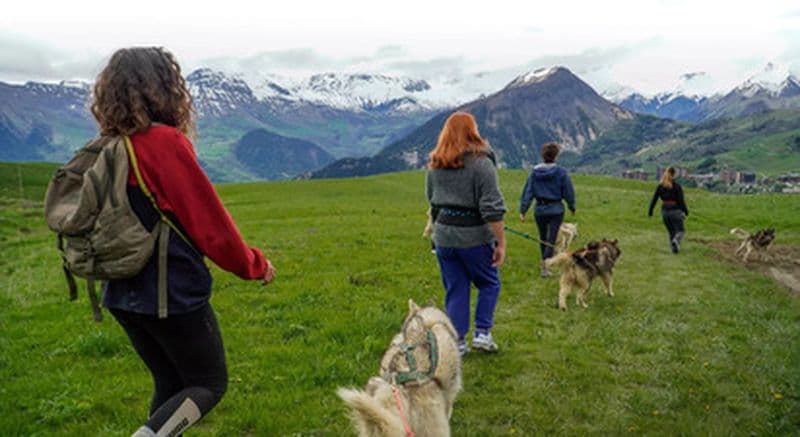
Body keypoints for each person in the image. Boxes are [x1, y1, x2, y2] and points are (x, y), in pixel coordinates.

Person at [92, 47, 276, 437]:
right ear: (163, 88)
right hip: (168, 292)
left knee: (172, 383)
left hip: (120, 290)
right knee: (209, 382)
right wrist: (255, 264)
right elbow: (211, 228)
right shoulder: (163, 144)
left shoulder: (107, 147)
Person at [426, 112, 507, 355]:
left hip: (443, 236)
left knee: (456, 288)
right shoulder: (482, 163)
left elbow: (432, 200)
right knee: (489, 282)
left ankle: (458, 342)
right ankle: (482, 333)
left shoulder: (435, 164)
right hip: (474, 236)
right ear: (473, 131)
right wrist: (501, 242)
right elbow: (492, 207)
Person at [519, 142, 576, 278]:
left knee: (543, 237)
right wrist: (571, 206)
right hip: (556, 209)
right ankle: (545, 266)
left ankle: (545, 265)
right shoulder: (561, 172)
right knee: (551, 239)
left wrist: (523, 210)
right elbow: (568, 191)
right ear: (556, 156)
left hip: (540, 209)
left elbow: (528, 192)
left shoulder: (534, 173)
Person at [649, 166, 689, 253]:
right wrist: (686, 211)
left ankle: (674, 249)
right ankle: (676, 241)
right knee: (680, 230)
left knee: (671, 232)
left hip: (665, 212)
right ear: (674, 175)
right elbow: (681, 201)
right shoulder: (677, 186)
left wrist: (650, 211)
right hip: (675, 211)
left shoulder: (660, 186)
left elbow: (654, 199)